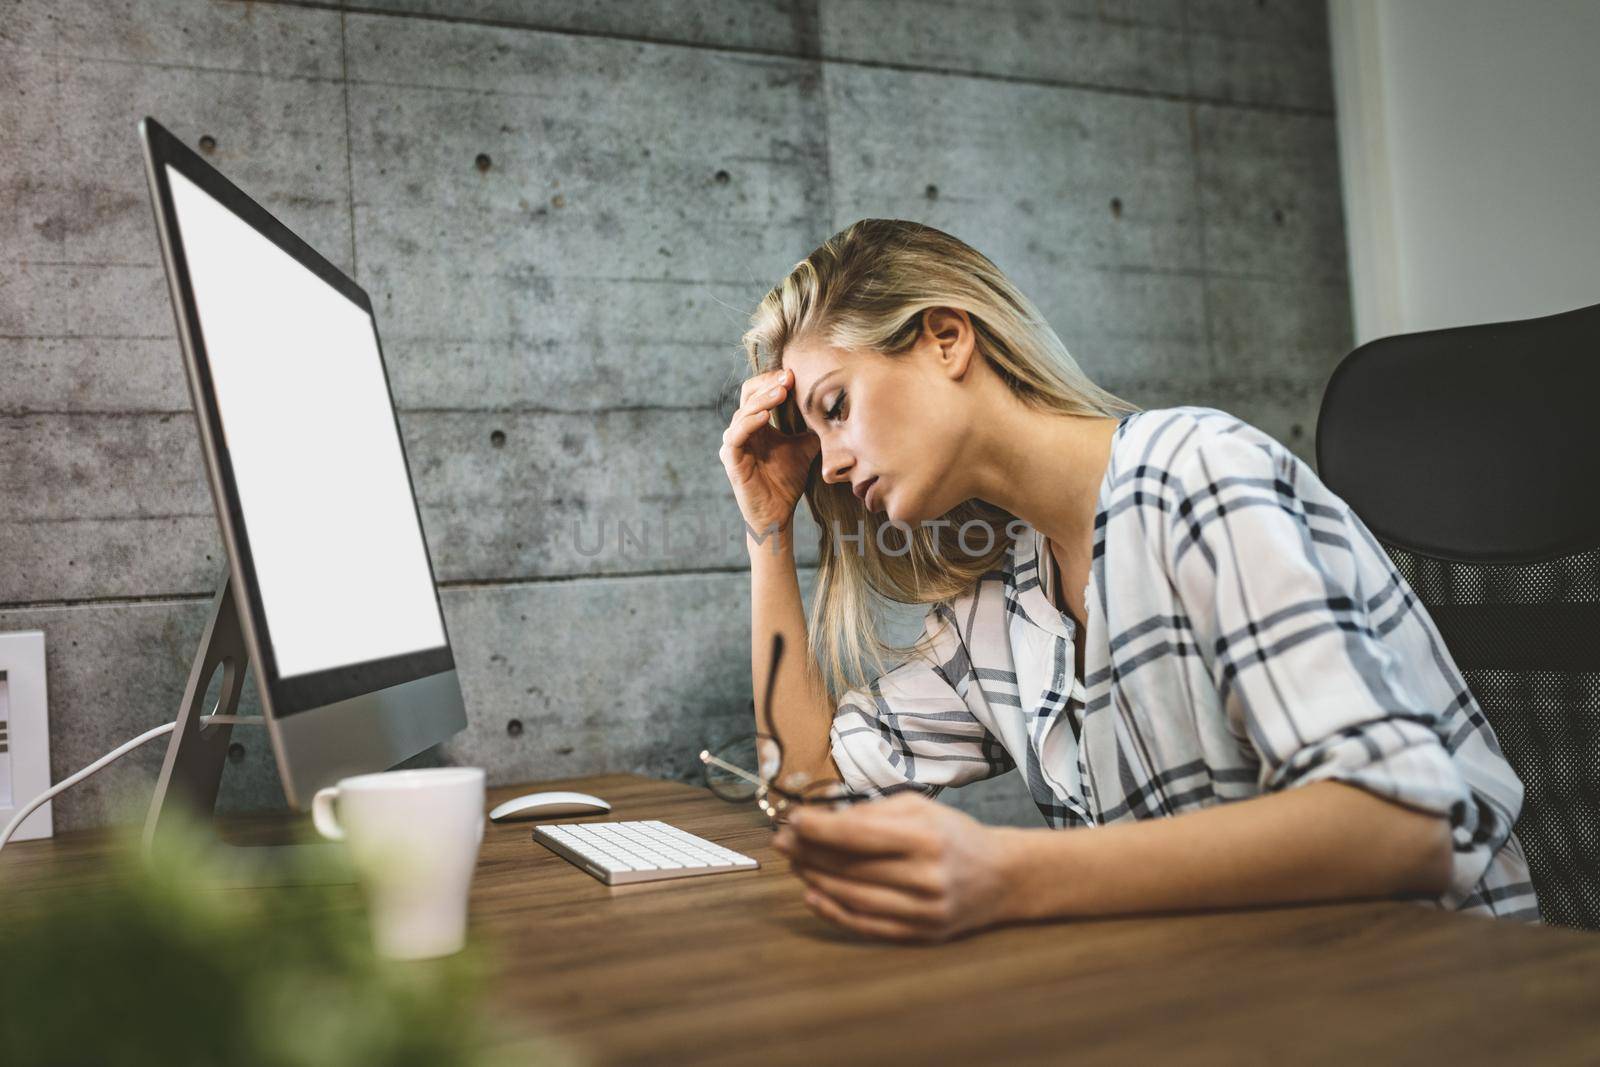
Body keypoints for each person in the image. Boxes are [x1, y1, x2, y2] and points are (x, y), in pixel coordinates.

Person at [716, 219, 1539, 943]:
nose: (829, 461)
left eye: (836, 405)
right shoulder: (994, 602)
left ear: (945, 338)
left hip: (1438, 998)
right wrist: (768, 531)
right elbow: (808, 785)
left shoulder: (1198, 476)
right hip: (1229, 1003)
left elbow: (1401, 824)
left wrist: (1008, 873)